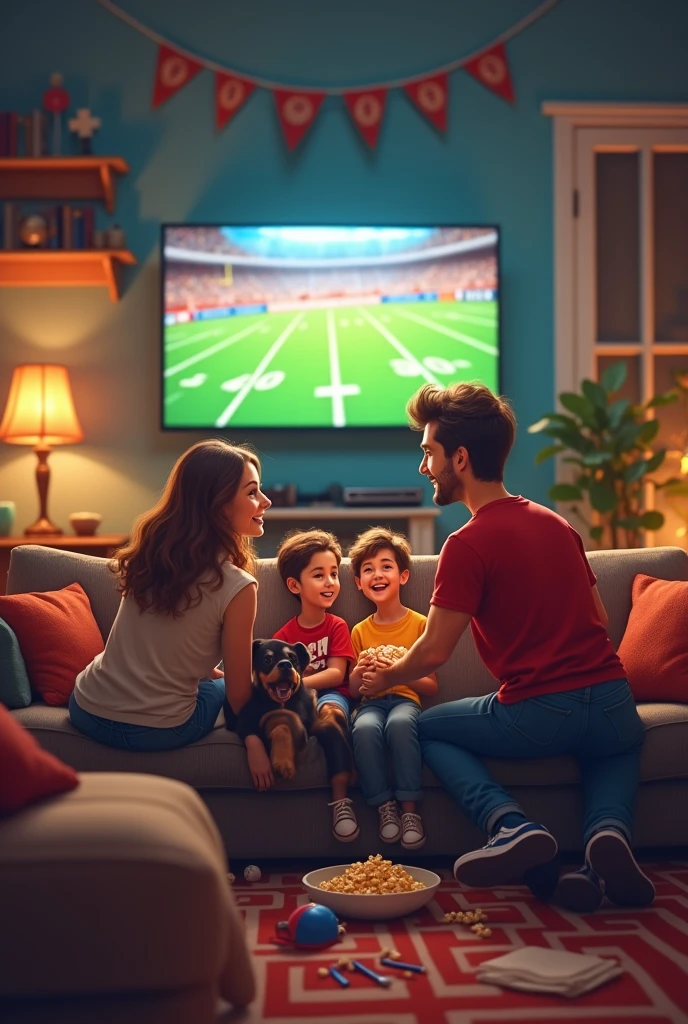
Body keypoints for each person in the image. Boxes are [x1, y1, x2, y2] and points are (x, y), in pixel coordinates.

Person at [361, 382, 655, 912]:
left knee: (424, 728)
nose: (424, 466)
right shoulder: (557, 523)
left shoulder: (466, 543)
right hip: (613, 701)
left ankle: (509, 824)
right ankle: (606, 838)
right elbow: (601, 618)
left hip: (539, 711)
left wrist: (382, 677)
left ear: (461, 457)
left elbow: (431, 653)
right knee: (617, 748)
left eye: (428, 452)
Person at [69, 439, 276, 792]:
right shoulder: (238, 585)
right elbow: (239, 695)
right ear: (219, 504)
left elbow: (155, 645)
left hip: (87, 710)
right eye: (253, 492)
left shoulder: (147, 557)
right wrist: (254, 739)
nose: (266, 501)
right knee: (235, 684)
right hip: (161, 730)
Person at [348, 527, 438, 850]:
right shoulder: (359, 631)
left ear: (403, 576)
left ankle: (409, 811)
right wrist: (360, 671)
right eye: (368, 570)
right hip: (371, 703)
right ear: (359, 583)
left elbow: (430, 685)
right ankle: (385, 806)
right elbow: (354, 689)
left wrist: (396, 673)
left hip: (404, 700)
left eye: (386, 566)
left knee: (400, 725)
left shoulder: (419, 624)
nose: (377, 575)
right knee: (364, 727)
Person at [273, 529, 359, 841]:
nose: (330, 582)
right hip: (296, 704)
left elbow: (337, 675)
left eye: (334, 574)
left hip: (332, 696)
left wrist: (299, 681)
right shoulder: (283, 637)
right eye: (319, 575)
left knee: (331, 716)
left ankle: (340, 801)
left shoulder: (336, 626)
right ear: (295, 585)